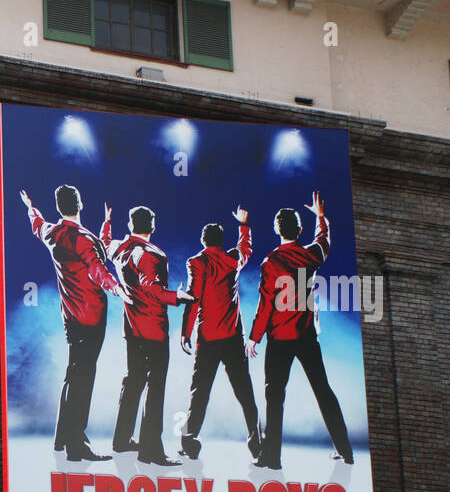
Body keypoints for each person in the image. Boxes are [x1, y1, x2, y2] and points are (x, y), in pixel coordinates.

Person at [247, 191, 353, 470]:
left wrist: (254, 337)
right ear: (300, 229)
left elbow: (266, 304)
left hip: (279, 338)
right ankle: (346, 452)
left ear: (276, 230)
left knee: (274, 396)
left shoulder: (270, 263)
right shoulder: (310, 256)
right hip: (306, 336)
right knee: (323, 391)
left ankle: (271, 458)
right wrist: (321, 217)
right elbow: (324, 242)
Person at [20, 185, 126, 462]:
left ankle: (61, 438)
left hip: (69, 315)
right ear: (80, 204)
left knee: (73, 373)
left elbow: (37, 224)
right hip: (91, 318)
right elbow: (98, 268)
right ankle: (76, 445)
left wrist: (30, 206)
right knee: (83, 378)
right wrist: (117, 288)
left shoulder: (53, 234)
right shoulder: (84, 238)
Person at [102, 204, 192, 466]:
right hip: (153, 331)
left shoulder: (120, 248)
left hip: (132, 329)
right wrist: (178, 296)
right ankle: (151, 452)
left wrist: (107, 221)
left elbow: (106, 242)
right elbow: (152, 289)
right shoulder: (152, 254)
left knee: (133, 382)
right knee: (155, 388)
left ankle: (121, 441)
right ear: (153, 226)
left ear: (131, 226)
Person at [179, 207, 261, 461]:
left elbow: (194, 299)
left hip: (208, 336)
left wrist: (186, 332)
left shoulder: (196, 262)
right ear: (221, 241)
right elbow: (245, 250)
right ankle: (256, 439)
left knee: (200, 390)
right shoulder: (232, 260)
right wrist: (244, 225)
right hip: (232, 336)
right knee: (244, 390)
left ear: (204, 241)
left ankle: (190, 439)